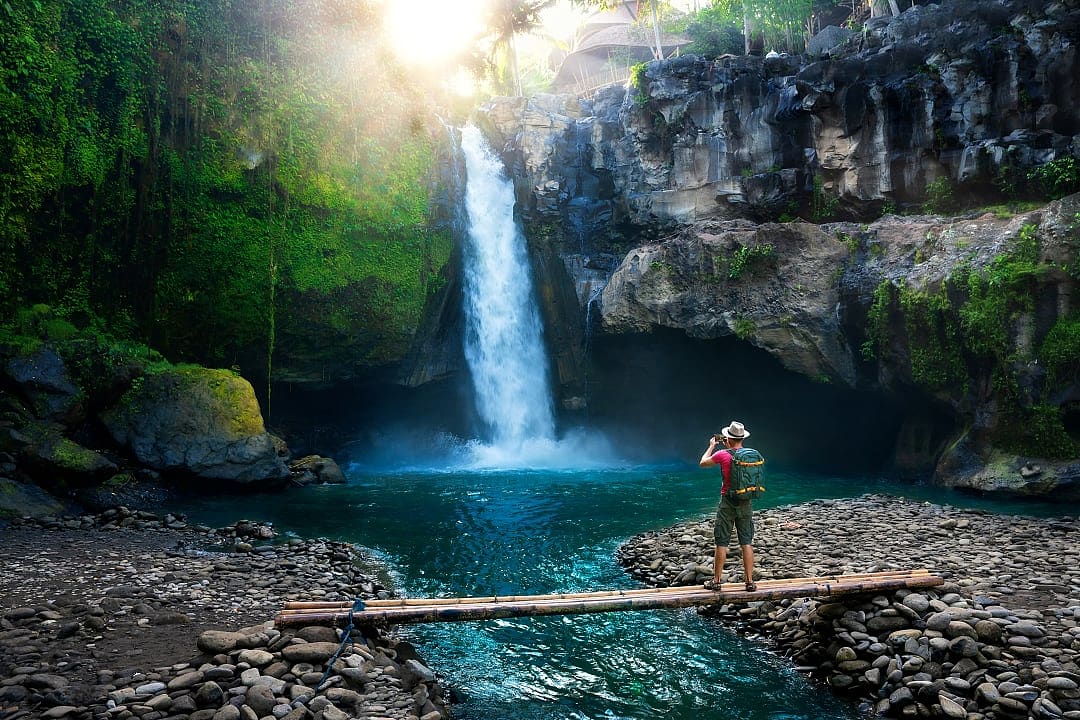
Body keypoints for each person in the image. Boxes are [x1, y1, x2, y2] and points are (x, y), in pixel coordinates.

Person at [699, 420, 757, 591]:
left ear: (728, 439)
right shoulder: (751, 454)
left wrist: (711, 446)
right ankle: (749, 582)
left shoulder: (723, 454)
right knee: (746, 542)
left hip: (727, 502)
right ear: (742, 438)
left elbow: (702, 463)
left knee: (722, 542)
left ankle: (716, 581)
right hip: (746, 501)